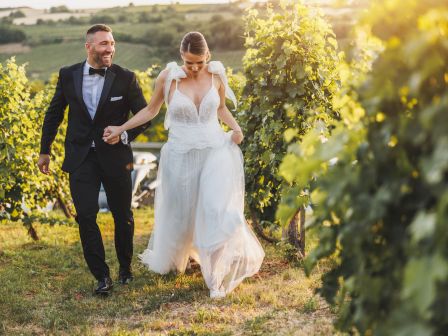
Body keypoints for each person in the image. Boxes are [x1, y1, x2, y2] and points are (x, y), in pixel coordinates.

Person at [103, 31, 264, 298]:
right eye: (189, 62)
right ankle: (188, 255)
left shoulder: (216, 75)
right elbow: (150, 111)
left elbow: (221, 109)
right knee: (182, 213)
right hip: (180, 154)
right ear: (181, 56)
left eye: (199, 62)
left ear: (207, 56)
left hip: (215, 151)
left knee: (215, 210)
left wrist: (236, 129)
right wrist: (121, 128)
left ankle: (215, 279)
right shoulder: (168, 78)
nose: (194, 67)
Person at [38, 24, 150, 295]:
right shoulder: (68, 75)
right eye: (103, 44)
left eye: (111, 43)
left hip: (115, 157)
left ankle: (125, 268)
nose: (109, 48)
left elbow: (144, 115)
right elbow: (54, 114)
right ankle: (102, 276)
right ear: (88, 47)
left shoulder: (126, 77)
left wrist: (123, 134)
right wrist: (45, 150)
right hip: (81, 158)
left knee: (122, 215)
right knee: (86, 216)